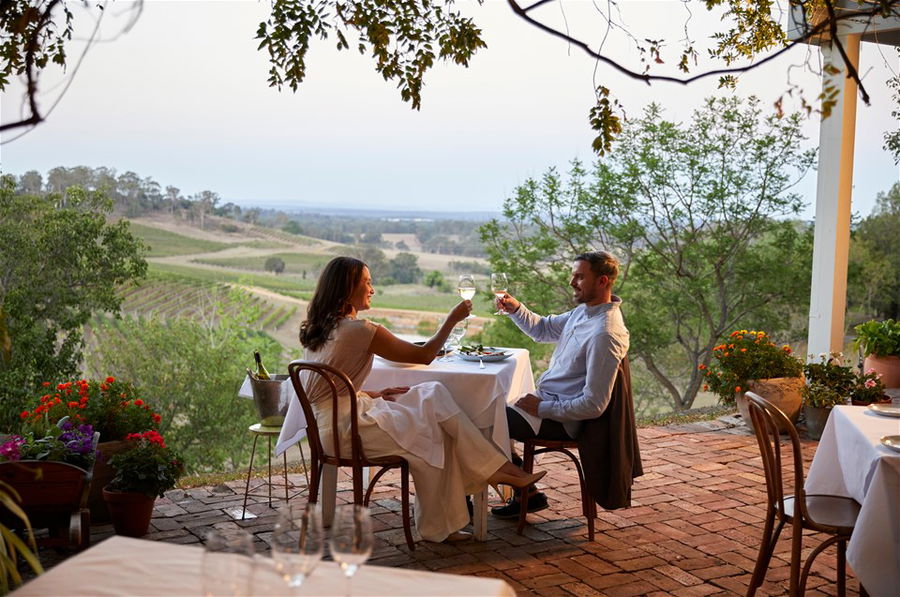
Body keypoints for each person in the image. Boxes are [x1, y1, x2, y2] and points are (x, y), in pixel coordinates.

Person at [297, 256, 545, 543]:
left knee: (432, 395)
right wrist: (451, 320)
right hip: (348, 431)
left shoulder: (322, 327)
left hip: (331, 425)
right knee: (434, 431)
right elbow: (425, 356)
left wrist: (373, 393)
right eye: (367, 282)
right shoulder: (361, 330)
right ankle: (480, 485)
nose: (372, 288)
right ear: (346, 289)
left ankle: (487, 480)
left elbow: (329, 387)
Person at [490, 250, 632, 519]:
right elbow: (543, 329)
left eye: (579, 276)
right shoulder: (584, 312)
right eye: (572, 275)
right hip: (544, 403)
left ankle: (497, 493)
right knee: (480, 413)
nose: (572, 282)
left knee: (481, 418)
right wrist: (516, 309)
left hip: (559, 419)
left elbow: (594, 404)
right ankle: (524, 490)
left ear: (602, 281)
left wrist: (542, 407)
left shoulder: (606, 333)